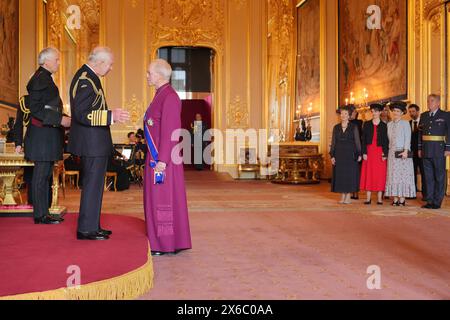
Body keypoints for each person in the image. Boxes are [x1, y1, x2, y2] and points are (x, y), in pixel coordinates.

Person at [68, 47, 130, 240]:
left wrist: (110, 115)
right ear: (100, 62)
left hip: (94, 143)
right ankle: (86, 229)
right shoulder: (86, 80)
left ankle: (93, 225)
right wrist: (111, 115)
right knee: (93, 186)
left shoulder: (89, 77)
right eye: (110, 64)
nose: (111, 68)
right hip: (91, 143)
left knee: (95, 186)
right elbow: (82, 114)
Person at [144, 59, 192, 255]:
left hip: (163, 161)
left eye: (149, 73)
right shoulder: (160, 95)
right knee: (157, 200)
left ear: (159, 75)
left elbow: (171, 131)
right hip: (156, 157)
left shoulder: (169, 97)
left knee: (162, 201)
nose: (147, 76)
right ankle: (161, 240)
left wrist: (162, 160)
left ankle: (164, 244)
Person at [24, 47, 71, 224]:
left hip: (46, 135)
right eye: (57, 59)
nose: (59, 62)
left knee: (44, 175)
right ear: (46, 61)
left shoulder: (43, 78)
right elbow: (36, 110)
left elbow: (49, 107)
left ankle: (43, 213)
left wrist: (62, 119)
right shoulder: (40, 79)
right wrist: (61, 120)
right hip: (42, 137)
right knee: (41, 175)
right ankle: (40, 215)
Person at [418, 94, 450, 209]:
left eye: (431, 101)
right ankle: (429, 201)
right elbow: (420, 134)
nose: (429, 103)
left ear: (438, 103)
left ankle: (437, 202)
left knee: (439, 176)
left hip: (439, 150)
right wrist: (420, 148)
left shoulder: (446, 115)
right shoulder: (424, 115)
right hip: (426, 149)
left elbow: (449, 132)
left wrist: (448, 148)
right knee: (428, 177)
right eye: (428, 101)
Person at [385, 101, 416, 205]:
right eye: (394, 111)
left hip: (402, 152)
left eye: (398, 111)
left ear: (402, 113)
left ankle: (402, 199)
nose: (395, 113)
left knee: (403, 175)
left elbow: (408, 138)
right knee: (393, 175)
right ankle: (395, 198)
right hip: (391, 153)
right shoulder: (389, 124)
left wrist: (406, 151)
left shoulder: (405, 123)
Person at [330, 105, 362, 204]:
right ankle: (342, 196)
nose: (343, 115)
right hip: (339, 154)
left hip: (350, 155)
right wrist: (332, 155)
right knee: (341, 175)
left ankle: (348, 196)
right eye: (342, 113)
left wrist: (359, 154)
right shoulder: (336, 127)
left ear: (349, 116)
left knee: (349, 175)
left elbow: (357, 141)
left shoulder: (353, 127)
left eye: (345, 114)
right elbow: (333, 142)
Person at [360, 104, 389, 205]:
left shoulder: (384, 125)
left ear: (380, 112)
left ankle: (380, 198)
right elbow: (363, 140)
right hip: (369, 151)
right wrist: (364, 152)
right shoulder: (366, 124)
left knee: (380, 174)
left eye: (376, 111)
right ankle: (368, 198)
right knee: (369, 173)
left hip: (380, 152)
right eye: (372, 111)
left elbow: (386, 141)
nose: (374, 113)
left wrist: (385, 154)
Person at [408, 104, 424, 198]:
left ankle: (425, 194)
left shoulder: (423, 122)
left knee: (424, 172)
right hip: (411, 153)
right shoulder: (408, 123)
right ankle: (412, 193)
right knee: (411, 173)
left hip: (422, 152)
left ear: (418, 111)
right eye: (410, 112)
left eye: (413, 111)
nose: (411, 113)